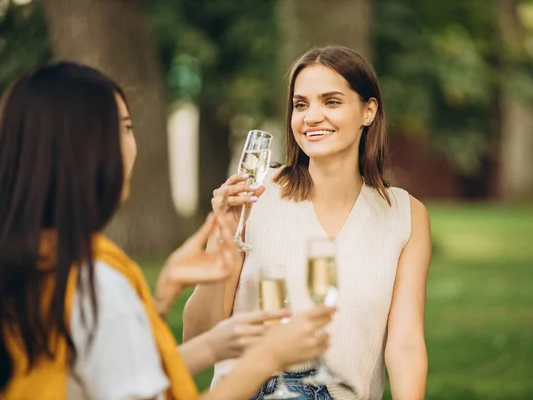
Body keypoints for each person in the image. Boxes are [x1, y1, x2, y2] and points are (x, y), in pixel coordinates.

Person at [0, 61, 335, 400]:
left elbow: (111, 364)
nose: (133, 144)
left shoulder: (29, 261)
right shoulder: (94, 284)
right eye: (126, 127)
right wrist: (268, 357)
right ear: (89, 150)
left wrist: (188, 321)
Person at [184, 45, 432, 400]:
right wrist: (223, 236)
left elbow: (405, 345)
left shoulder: (405, 215)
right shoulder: (255, 194)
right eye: (301, 105)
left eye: (331, 102)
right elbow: (198, 335)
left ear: (368, 110)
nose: (311, 117)